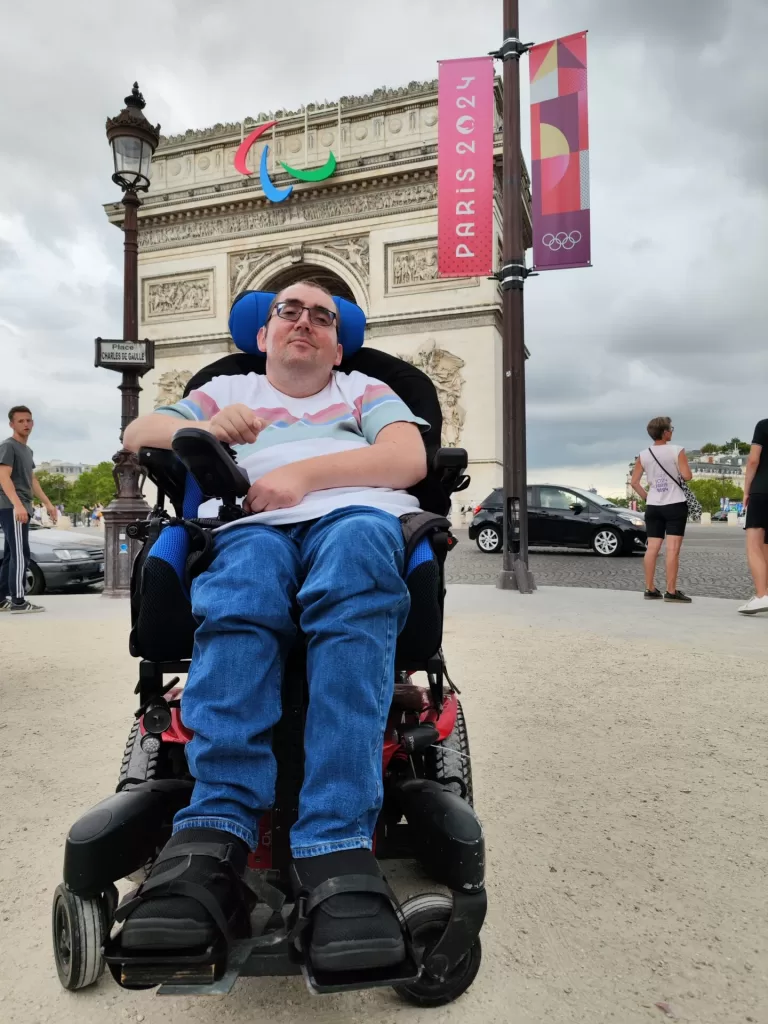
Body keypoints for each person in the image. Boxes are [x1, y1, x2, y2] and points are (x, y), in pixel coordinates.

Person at [120, 280, 429, 972]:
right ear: (262, 334)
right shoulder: (230, 389)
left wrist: (305, 477)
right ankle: (216, 830)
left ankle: (334, 845)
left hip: (351, 516)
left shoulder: (362, 392)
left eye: (322, 317)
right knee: (243, 593)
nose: (304, 323)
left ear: (339, 342)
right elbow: (138, 434)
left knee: (355, 561)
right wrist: (201, 429)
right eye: (289, 311)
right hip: (249, 528)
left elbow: (408, 458)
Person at [0, 405, 58, 613]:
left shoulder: (27, 450)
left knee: (10, 553)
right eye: (21, 421)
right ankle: (18, 601)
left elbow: (32, 479)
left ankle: (1, 599)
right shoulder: (8, 446)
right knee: (20, 553)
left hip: (20, 505)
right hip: (12, 506)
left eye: (28, 420)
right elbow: (3, 477)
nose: (26, 424)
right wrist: (17, 505)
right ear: (11, 424)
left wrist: (48, 503)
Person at [630, 416, 693, 603]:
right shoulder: (677, 450)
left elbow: (634, 482)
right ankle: (671, 591)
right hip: (674, 504)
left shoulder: (644, 454)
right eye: (671, 428)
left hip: (653, 506)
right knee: (673, 550)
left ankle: (649, 588)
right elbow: (687, 476)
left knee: (652, 548)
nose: (672, 431)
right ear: (665, 432)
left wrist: (648, 497)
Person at [738, 418, 768, 615]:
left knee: (754, 545)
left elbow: (753, 460)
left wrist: (746, 490)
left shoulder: (764, 425)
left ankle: (761, 595)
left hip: (762, 491)